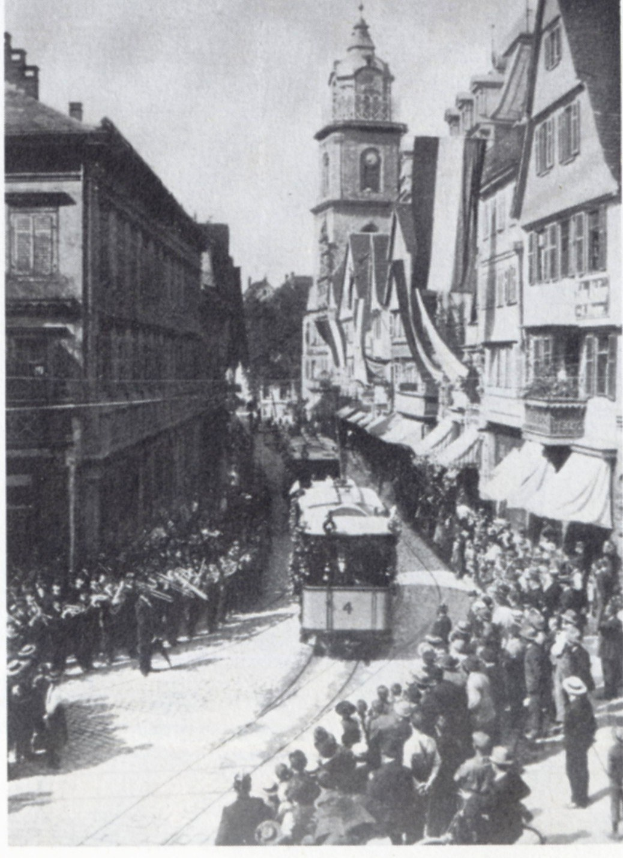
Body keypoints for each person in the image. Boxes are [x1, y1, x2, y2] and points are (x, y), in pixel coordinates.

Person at [461, 746, 531, 844]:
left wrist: (470, 798)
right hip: (515, 821)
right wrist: (511, 800)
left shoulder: (497, 786)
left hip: (500, 828)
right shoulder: (513, 777)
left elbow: (486, 803)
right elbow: (526, 791)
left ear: (494, 765)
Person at [365, 741, 418, 844]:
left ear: (384, 755)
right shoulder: (407, 771)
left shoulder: (377, 774)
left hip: (387, 816)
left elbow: (372, 794)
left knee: (394, 841)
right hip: (405, 812)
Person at [562, 676, 597, 809]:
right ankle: (584, 796)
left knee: (573, 771)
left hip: (574, 743)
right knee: (582, 768)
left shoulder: (572, 708)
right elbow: (592, 723)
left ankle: (578, 799)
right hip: (584, 742)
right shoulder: (585, 702)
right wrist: (589, 737)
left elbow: (568, 728)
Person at [215, 772, 273, 846]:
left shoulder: (228, 811)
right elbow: (271, 821)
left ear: (235, 788)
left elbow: (220, 840)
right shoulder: (259, 803)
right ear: (250, 787)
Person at [598, 598, 623, 700]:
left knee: (608, 672)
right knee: (612, 672)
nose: (605, 613)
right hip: (613, 651)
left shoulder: (611, 623)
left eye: (606, 611)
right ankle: (613, 692)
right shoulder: (616, 621)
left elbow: (600, 627)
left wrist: (600, 616)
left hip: (608, 651)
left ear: (611, 612)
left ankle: (608, 694)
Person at [607, 725, 623, 840]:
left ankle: (615, 831)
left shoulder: (612, 751)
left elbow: (611, 769)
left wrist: (610, 774)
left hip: (616, 782)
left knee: (615, 805)